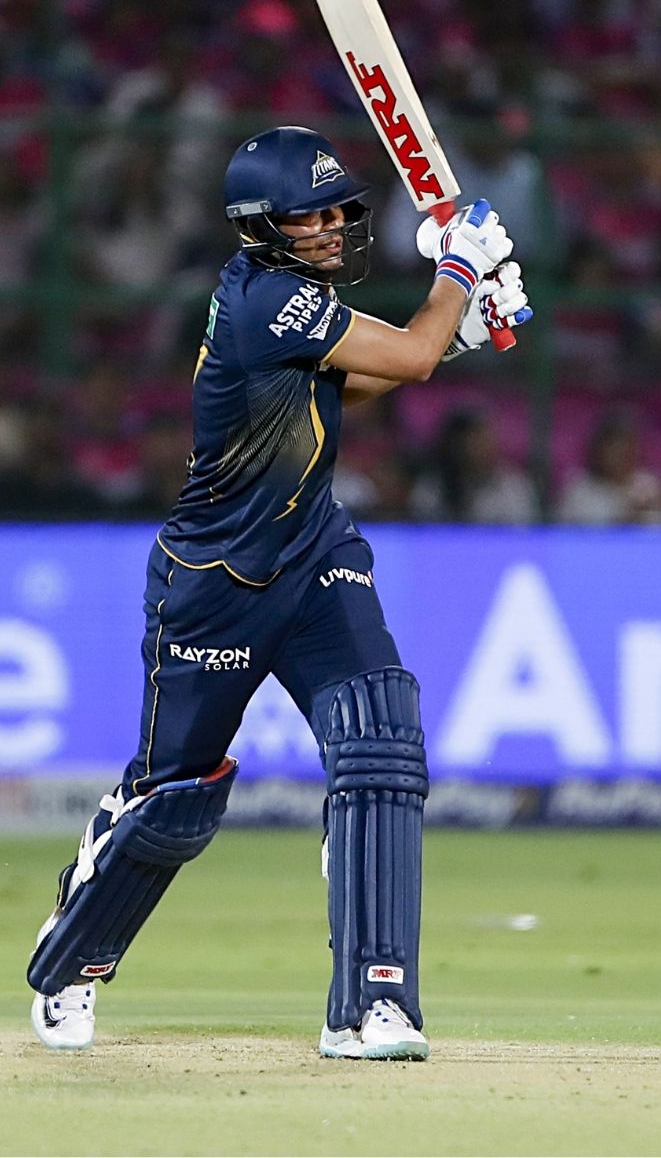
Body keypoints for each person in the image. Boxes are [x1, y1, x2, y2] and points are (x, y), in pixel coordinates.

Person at [27, 126, 531, 1061]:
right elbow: (410, 358)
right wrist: (460, 272)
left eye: (341, 210)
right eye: (312, 216)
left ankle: (373, 1005)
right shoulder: (265, 297)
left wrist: (453, 329)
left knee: (380, 745)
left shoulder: (300, 305)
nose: (334, 226)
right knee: (174, 800)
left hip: (313, 554)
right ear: (262, 227)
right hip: (216, 582)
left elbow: (349, 387)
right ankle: (71, 963)